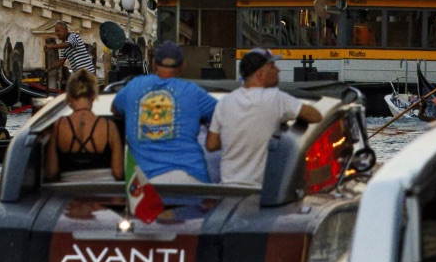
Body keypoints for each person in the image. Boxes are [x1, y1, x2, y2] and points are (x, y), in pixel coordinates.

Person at [208, 49, 323, 194]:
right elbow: (315, 116)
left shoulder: (224, 102)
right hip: (261, 193)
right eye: (272, 66)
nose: (278, 70)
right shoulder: (276, 98)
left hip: (228, 190)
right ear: (260, 74)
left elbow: (211, 145)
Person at [111, 40, 217, 183]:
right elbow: (223, 114)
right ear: (182, 67)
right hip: (189, 178)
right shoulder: (193, 92)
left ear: (154, 64)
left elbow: (115, 109)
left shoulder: (134, 87)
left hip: (146, 185)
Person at [44, 71, 126, 177]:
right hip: (103, 189)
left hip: (67, 191)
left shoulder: (58, 126)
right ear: (93, 96)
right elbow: (118, 172)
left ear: (69, 96)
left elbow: (51, 171)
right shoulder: (109, 127)